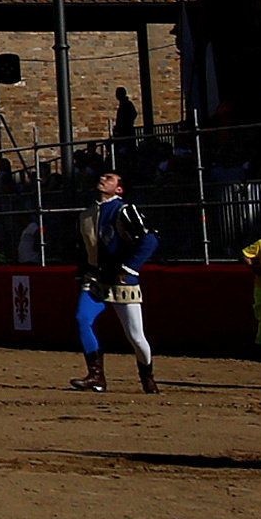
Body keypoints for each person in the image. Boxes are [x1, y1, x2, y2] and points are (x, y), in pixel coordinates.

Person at [71, 168, 158, 394]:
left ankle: (146, 376)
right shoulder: (86, 215)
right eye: (103, 176)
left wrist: (130, 268)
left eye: (109, 178)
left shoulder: (124, 210)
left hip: (121, 279)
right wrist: (82, 272)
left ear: (119, 188)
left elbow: (149, 240)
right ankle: (96, 376)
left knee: (136, 337)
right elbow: (83, 248)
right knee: (82, 318)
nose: (102, 178)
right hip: (96, 277)